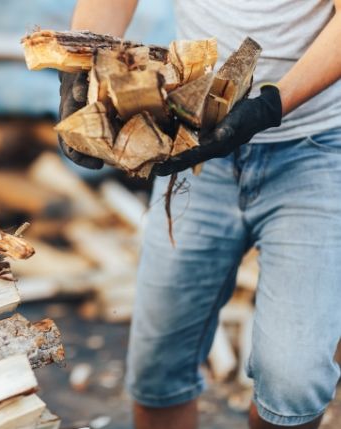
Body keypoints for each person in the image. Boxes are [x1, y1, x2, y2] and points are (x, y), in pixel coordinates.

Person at [58, 1, 341, 428]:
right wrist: (81, 70)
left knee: (293, 382)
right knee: (157, 370)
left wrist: (272, 105)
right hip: (197, 149)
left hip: (315, 150)